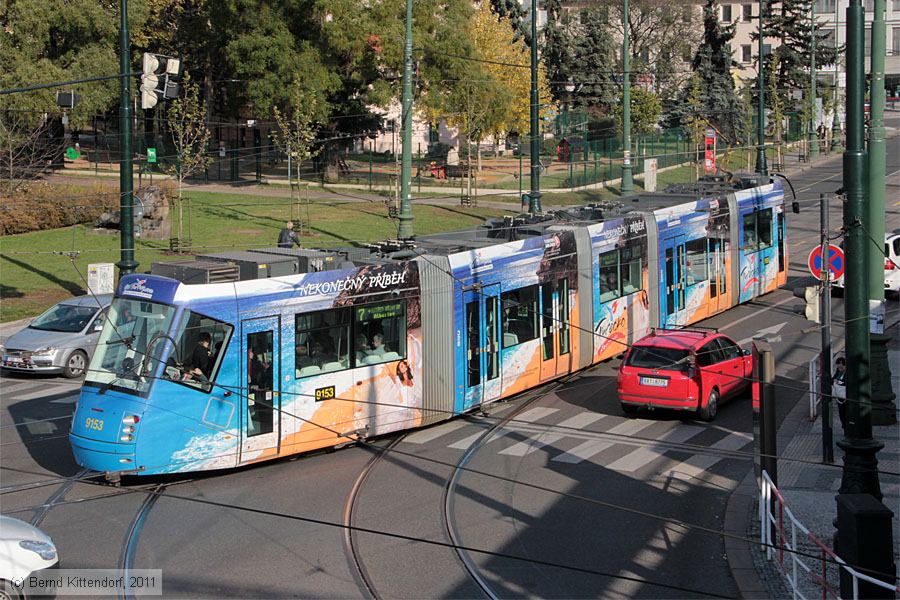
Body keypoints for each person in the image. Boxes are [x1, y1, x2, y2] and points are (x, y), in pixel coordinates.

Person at [832, 356, 847, 430]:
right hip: (839, 396)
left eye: (841, 367)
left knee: (845, 413)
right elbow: (833, 379)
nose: (840, 369)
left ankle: (846, 427)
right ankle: (844, 426)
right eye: (838, 368)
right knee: (841, 413)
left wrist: (840, 383)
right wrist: (834, 380)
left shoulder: (848, 373)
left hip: (845, 396)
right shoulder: (838, 371)